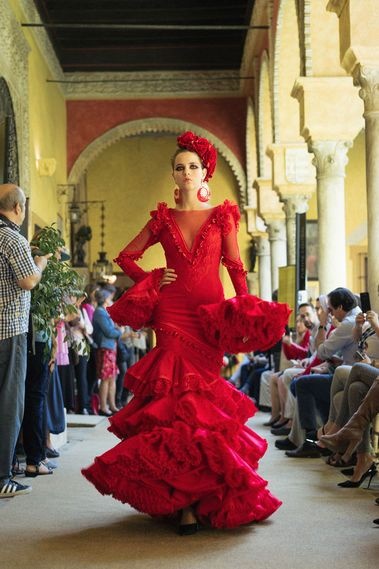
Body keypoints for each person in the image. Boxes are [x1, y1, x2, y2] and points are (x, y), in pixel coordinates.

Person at [82, 131, 289, 534]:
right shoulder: (163, 218)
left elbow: (233, 266)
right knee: (175, 405)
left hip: (208, 316)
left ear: (204, 171)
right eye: (180, 168)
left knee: (204, 408)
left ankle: (200, 496)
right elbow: (125, 256)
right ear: (174, 177)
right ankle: (186, 504)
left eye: (193, 166)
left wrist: (242, 305)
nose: (187, 173)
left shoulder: (222, 216)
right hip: (172, 314)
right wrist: (154, 278)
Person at [0, 183, 50, 497]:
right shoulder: (12, 237)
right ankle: (3, 477)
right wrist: (41, 262)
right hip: (9, 330)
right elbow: (28, 280)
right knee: (9, 403)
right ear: (19, 208)